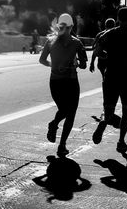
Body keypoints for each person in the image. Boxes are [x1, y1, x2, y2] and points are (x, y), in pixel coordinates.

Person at [92, 7, 127, 153]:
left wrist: (106, 56)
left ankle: (104, 123)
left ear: (118, 18)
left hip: (111, 76)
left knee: (109, 109)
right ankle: (121, 142)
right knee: (126, 110)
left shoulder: (108, 34)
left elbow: (98, 51)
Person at [39, 13, 87, 157]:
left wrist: (54, 65)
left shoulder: (50, 41)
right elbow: (84, 65)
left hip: (55, 82)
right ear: (72, 26)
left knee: (64, 110)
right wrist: (77, 63)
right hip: (71, 82)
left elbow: (42, 60)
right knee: (69, 113)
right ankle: (61, 143)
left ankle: (55, 126)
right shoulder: (77, 42)